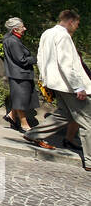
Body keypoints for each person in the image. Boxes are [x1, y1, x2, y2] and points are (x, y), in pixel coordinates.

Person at [25, 9, 90, 170]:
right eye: (77, 24)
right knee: (88, 121)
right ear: (71, 22)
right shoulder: (63, 36)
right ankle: (89, 160)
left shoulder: (47, 33)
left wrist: (45, 79)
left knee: (64, 115)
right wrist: (79, 87)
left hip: (56, 83)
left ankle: (33, 134)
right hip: (67, 85)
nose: (76, 27)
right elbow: (66, 64)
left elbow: (41, 57)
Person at [1, 17, 37, 132]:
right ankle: (24, 124)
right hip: (19, 74)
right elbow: (21, 60)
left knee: (19, 98)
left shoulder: (11, 39)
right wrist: (35, 59)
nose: (25, 29)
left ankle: (11, 115)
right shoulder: (13, 41)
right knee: (21, 100)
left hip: (19, 74)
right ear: (15, 29)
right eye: (22, 27)